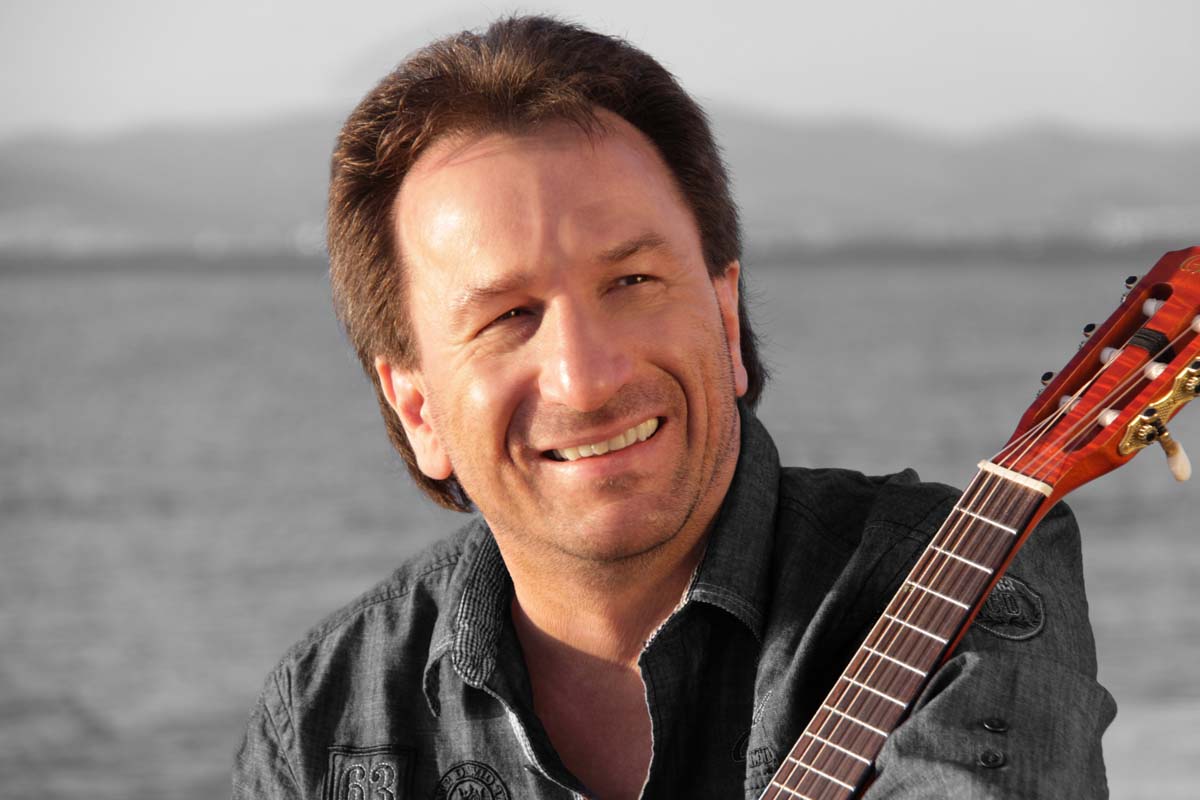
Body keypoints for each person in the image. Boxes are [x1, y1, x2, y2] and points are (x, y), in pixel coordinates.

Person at [233, 15, 1115, 799]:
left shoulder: (967, 577)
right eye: (509, 317)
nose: (586, 379)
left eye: (632, 281)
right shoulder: (323, 720)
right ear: (418, 409)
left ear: (726, 320)